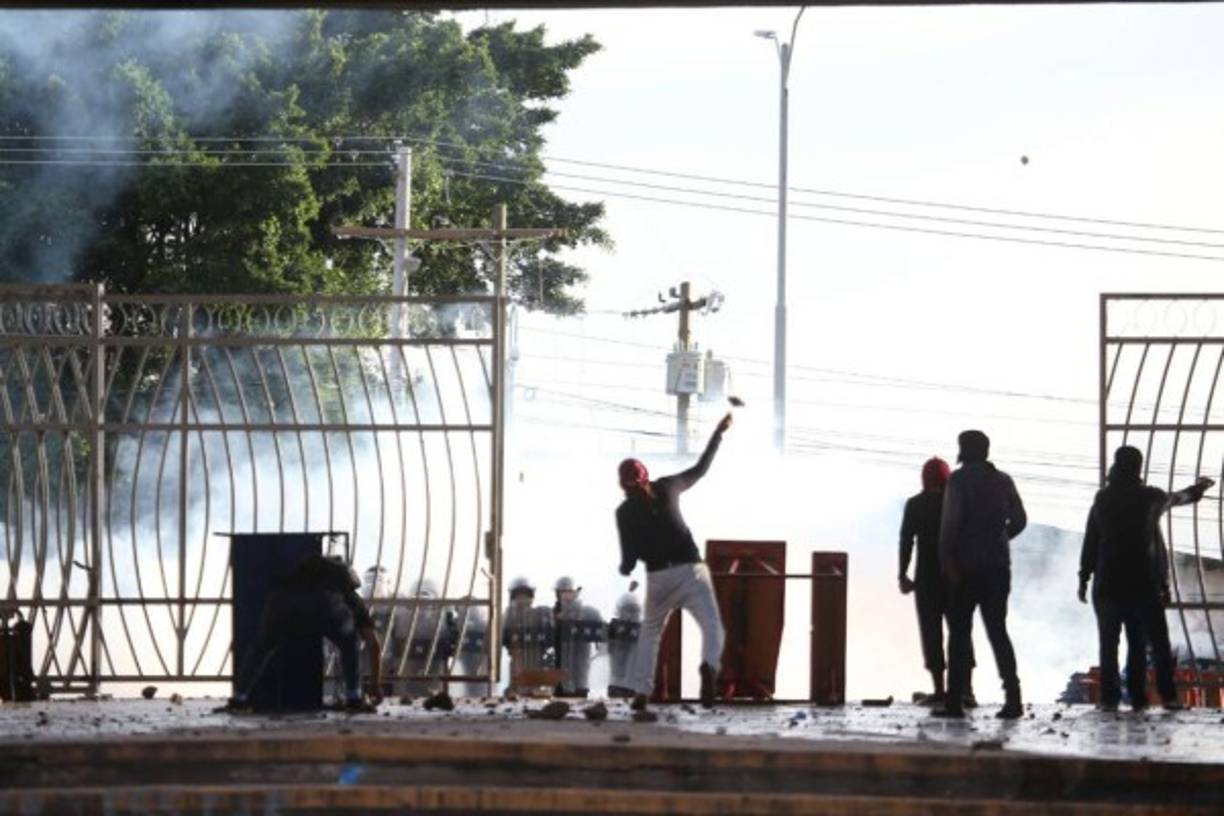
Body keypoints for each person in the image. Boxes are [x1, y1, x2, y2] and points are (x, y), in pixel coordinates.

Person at [1077, 445, 1212, 712]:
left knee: (1108, 642)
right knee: (1146, 642)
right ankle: (1156, 697)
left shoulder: (1103, 498)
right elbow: (1181, 498)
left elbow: (1091, 539)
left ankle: (1109, 699)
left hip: (1107, 584)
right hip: (1142, 583)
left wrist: (1084, 576)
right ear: (1139, 467)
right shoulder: (1150, 497)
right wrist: (1200, 487)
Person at [616, 413, 732, 711]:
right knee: (712, 627)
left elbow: (628, 558)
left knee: (650, 632)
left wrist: (626, 568)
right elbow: (700, 469)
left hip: (658, 578)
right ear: (646, 477)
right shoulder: (668, 487)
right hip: (692, 570)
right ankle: (709, 666)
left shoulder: (624, 512)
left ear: (623, 485)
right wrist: (718, 433)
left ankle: (642, 691)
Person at [933, 430, 1027, 720]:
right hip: (998, 568)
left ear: (964, 450)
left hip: (964, 568)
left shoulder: (959, 480)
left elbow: (950, 524)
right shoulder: (1004, 481)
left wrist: (946, 562)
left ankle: (953, 703)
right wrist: (999, 538)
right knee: (998, 631)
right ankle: (1013, 699)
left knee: (960, 633)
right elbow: (1021, 520)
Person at [232, 553, 382, 712]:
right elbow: (373, 645)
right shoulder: (349, 595)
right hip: (325, 606)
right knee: (350, 641)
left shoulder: (293, 579)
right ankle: (354, 698)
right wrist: (375, 685)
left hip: (280, 602)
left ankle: (239, 699)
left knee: (262, 646)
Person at [899, 456, 975, 708]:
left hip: (927, 580)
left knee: (931, 633)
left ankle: (940, 689)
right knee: (961, 632)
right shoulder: (956, 502)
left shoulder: (915, 505)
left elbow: (906, 541)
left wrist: (903, 575)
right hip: (956, 578)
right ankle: (967, 690)